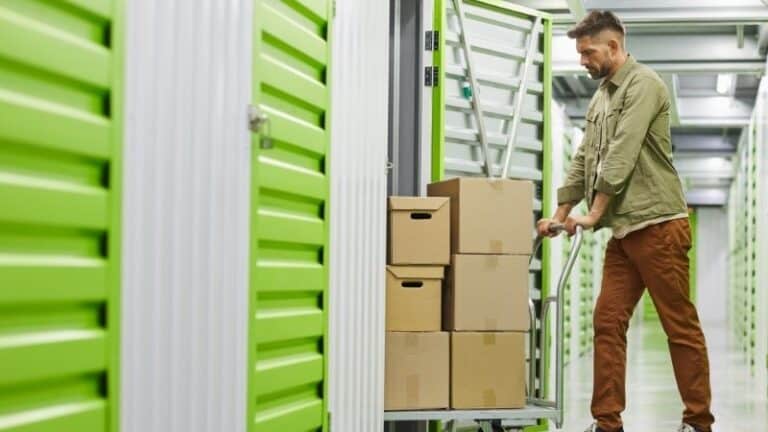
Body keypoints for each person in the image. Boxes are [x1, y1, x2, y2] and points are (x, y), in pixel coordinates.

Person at [536, 10, 715, 432]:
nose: (582, 60)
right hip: (624, 232)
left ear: (613, 46)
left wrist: (594, 213)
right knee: (607, 321)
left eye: (587, 51)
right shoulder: (600, 98)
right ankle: (607, 423)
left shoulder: (645, 85)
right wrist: (560, 215)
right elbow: (585, 160)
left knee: (679, 325)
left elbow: (622, 154)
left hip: (659, 226)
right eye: (579, 53)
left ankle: (698, 421)